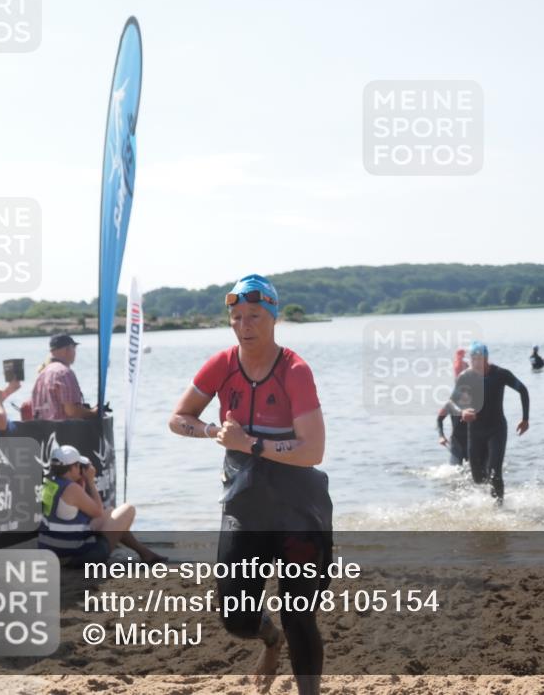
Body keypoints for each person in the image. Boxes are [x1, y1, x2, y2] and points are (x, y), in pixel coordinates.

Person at [169, 274, 330, 695]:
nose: (245, 325)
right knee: (236, 619)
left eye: (254, 316)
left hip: (298, 508)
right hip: (245, 506)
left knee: (300, 616)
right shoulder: (221, 365)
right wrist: (209, 432)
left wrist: (251, 444)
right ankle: (269, 640)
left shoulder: (295, 370)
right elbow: (178, 417)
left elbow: (313, 451)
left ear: (274, 318)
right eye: (237, 317)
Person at [39, 445, 164, 566]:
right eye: (78, 465)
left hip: (52, 550)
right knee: (128, 509)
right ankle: (145, 553)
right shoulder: (71, 488)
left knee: (110, 512)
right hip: (75, 556)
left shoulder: (49, 482)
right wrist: (90, 481)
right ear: (72, 468)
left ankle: (145, 552)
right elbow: (97, 511)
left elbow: (70, 513)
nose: (80, 468)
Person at [445, 342, 529, 505]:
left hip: (496, 429)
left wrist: (525, 419)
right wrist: (462, 412)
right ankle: (490, 496)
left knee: (495, 472)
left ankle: (499, 508)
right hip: (475, 432)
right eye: (472, 358)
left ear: (486, 358)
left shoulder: (500, 374)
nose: (475, 362)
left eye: (478, 358)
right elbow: (451, 403)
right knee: (477, 477)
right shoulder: (465, 377)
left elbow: (523, 390)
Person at [31, 334, 98, 421]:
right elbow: (72, 411)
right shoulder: (64, 373)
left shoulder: (41, 374)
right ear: (67, 349)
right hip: (64, 432)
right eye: (74, 348)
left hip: (44, 432)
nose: (75, 352)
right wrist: (93, 412)